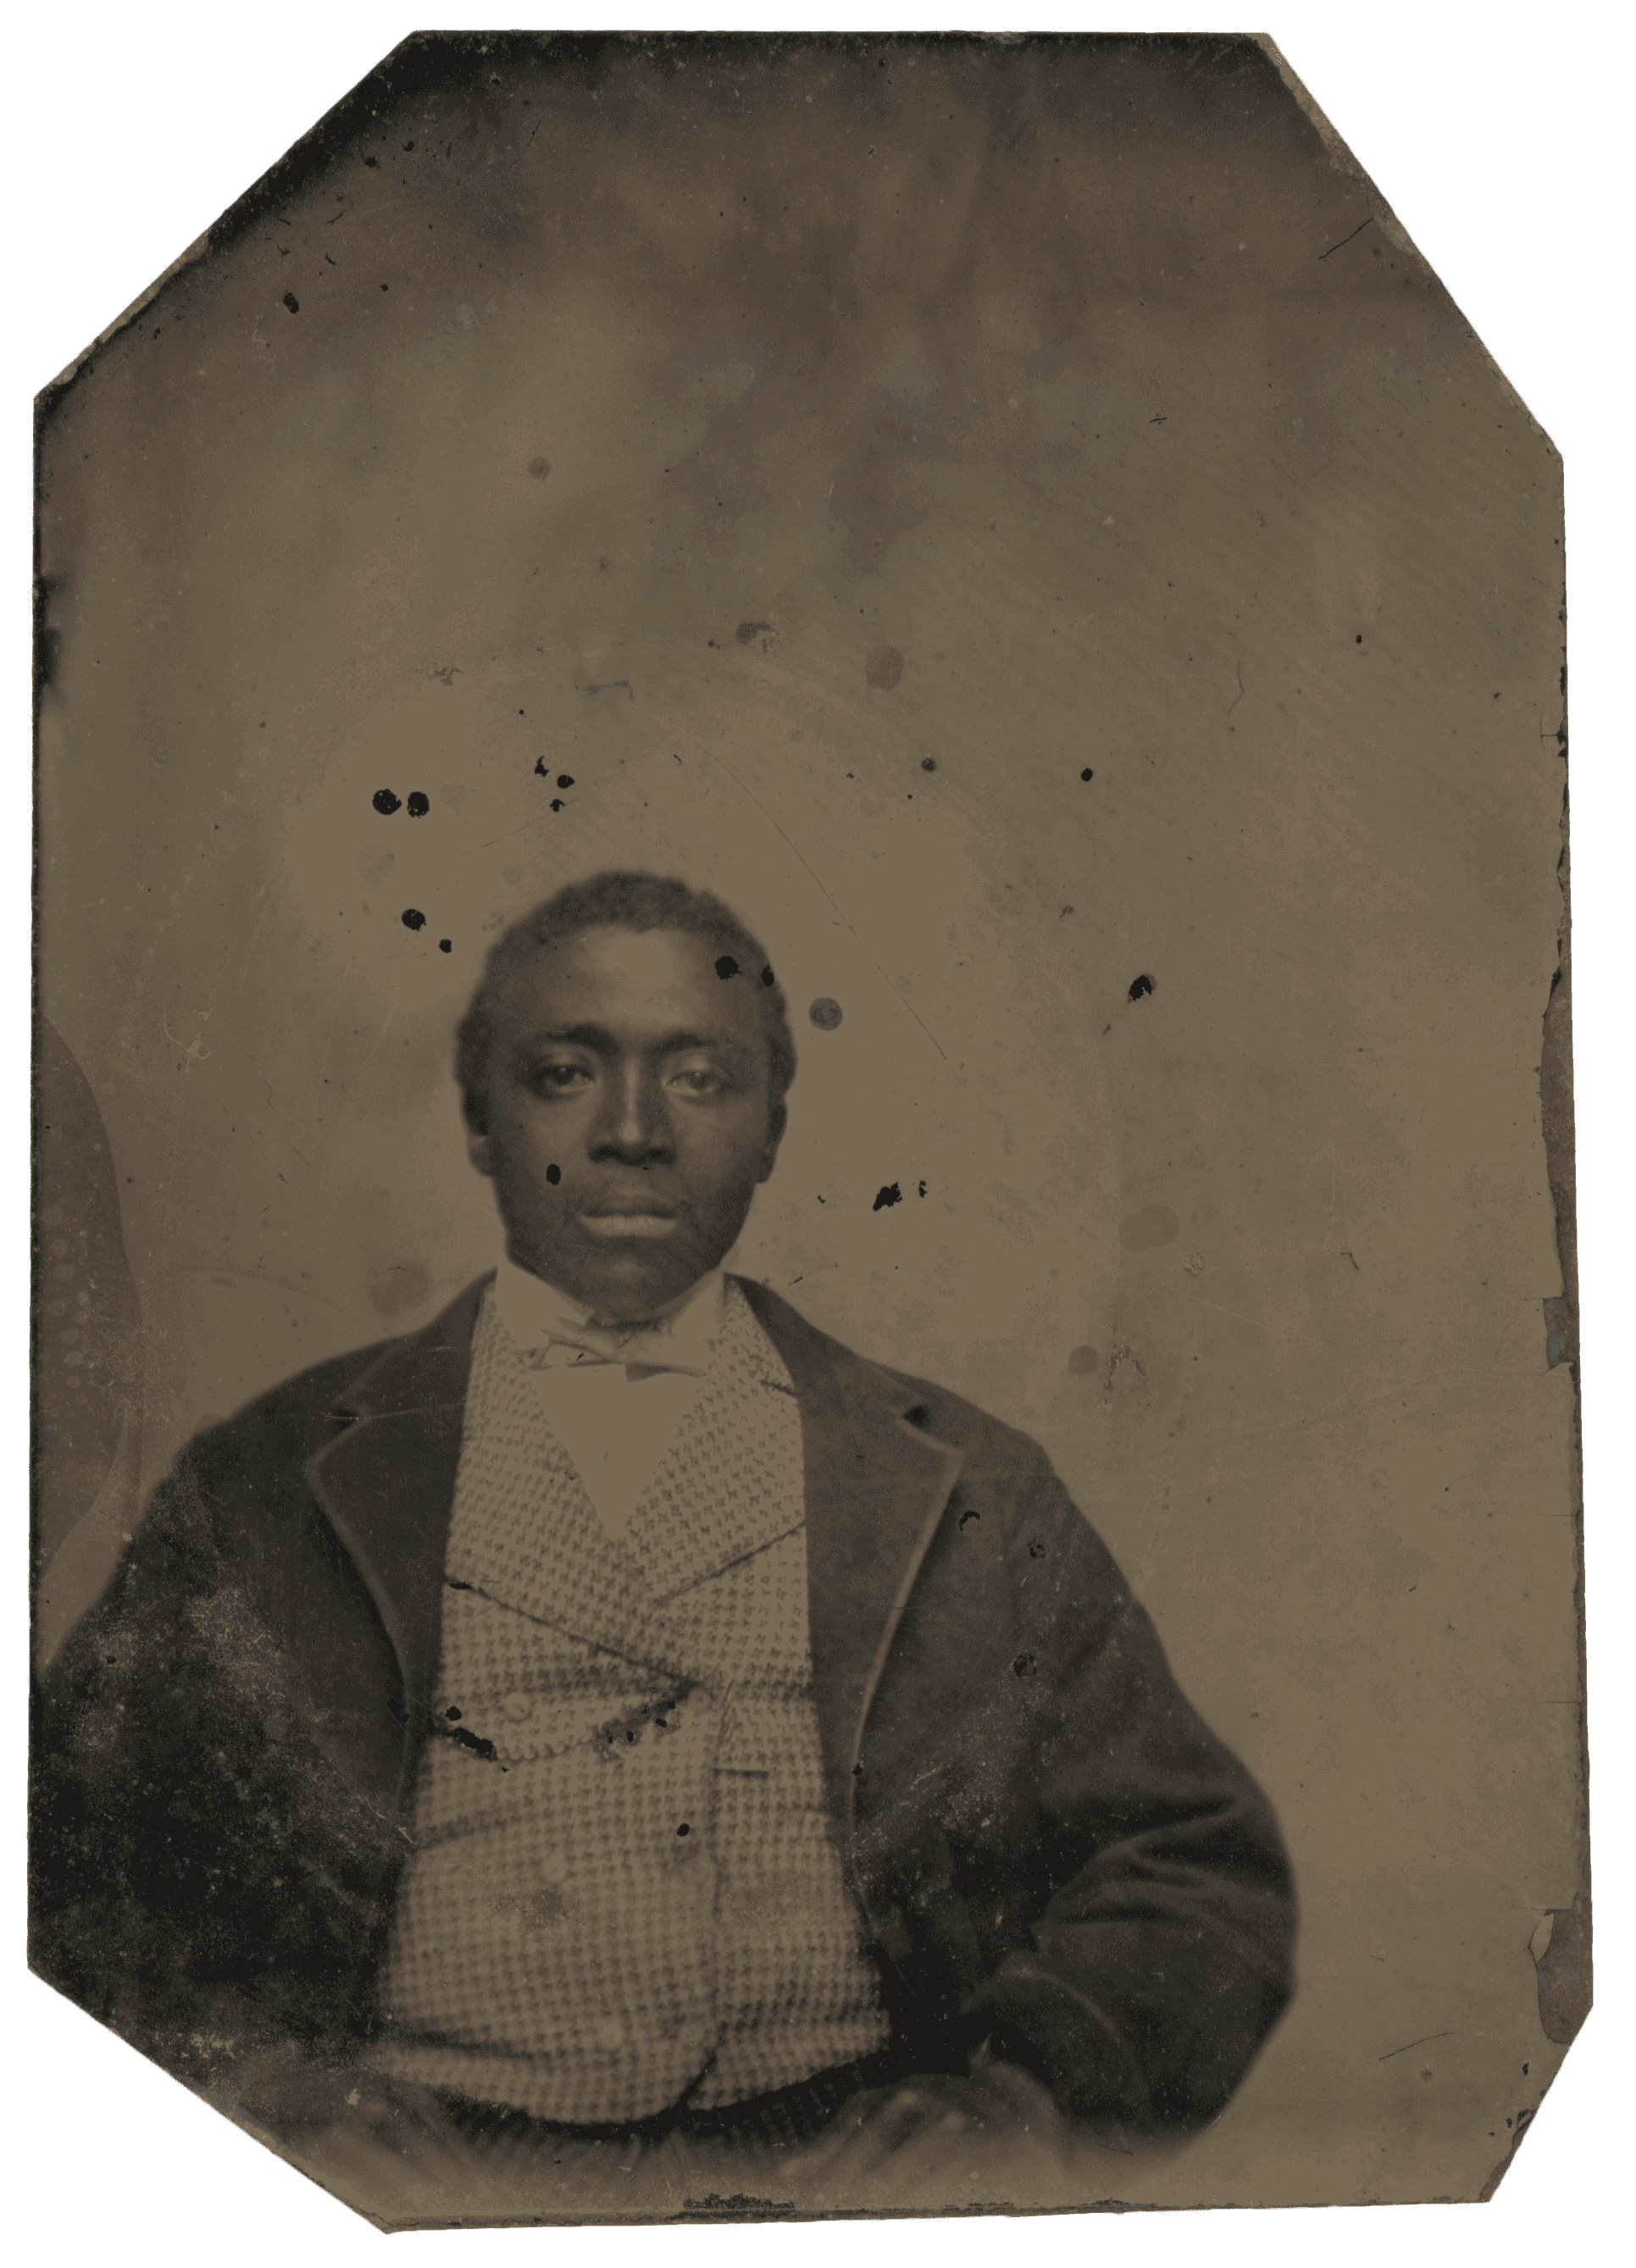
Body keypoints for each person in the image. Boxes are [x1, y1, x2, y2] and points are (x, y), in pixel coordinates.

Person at [31, 872, 1295, 2214]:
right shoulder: (269, 1482)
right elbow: (57, 1876)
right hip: (414, 2194)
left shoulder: (958, 1484)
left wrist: (1019, 2102)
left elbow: (1194, 1873)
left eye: (699, 1079)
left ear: (770, 1128)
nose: (631, 1134)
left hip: (833, 2187)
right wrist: (255, 2095)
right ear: (478, 1118)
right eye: (564, 1072)